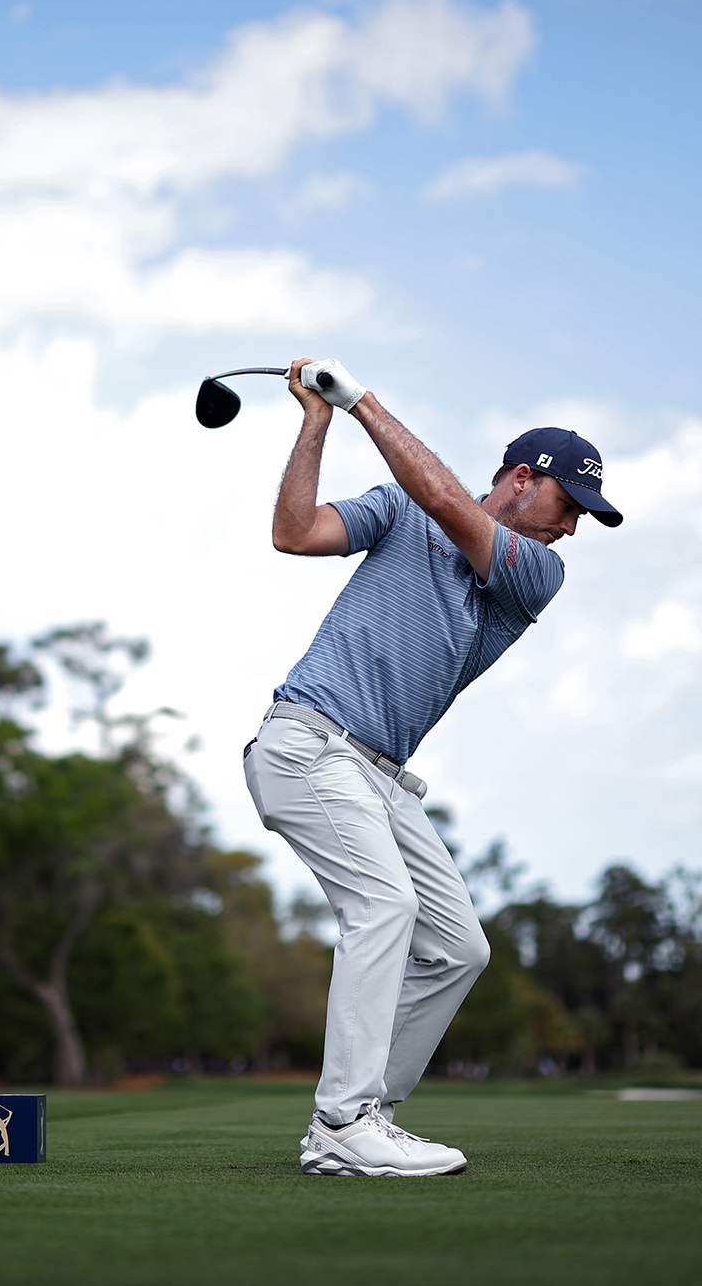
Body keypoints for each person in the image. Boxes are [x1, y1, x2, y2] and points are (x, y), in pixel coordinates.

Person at [246, 358, 620, 1177]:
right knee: (386, 907)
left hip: (378, 776)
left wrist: (363, 402)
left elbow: (448, 502)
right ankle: (343, 1121)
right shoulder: (397, 509)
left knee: (458, 946)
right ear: (522, 479)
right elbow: (295, 532)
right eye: (568, 506)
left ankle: (365, 1113)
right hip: (308, 743)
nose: (570, 528)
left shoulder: (537, 573)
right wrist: (317, 422)